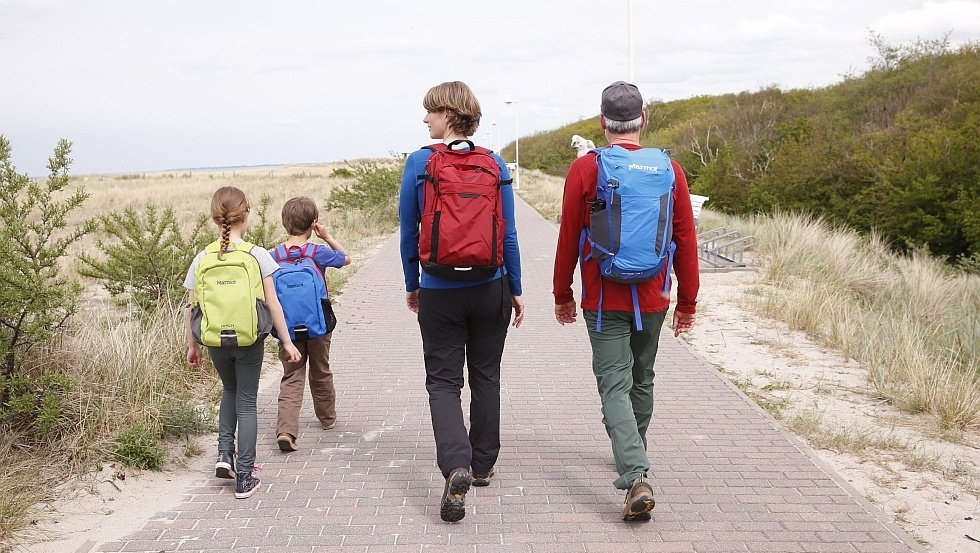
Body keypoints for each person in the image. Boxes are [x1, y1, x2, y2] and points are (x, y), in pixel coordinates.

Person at [552, 82, 699, 521]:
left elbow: (567, 238)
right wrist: (688, 301)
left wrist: (563, 294)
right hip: (654, 295)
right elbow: (686, 239)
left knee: (613, 384)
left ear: (602, 122)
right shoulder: (670, 170)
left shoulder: (585, 169)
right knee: (642, 379)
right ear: (643, 120)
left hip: (602, 299)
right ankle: (634, 453)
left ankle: (635, 472)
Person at [398, 81, 525, 522]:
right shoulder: (493, 162)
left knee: (443, 381)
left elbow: (408, 231)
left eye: (430, 111)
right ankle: (484, 464)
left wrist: (411, 281)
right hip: (492, 287)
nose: (425, 119)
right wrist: (516, 287)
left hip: (439, 290)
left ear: (448, 115)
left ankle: (456, 465)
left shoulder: (419, 162)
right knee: (487, 375)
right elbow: (507, 231)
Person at [184, 186, 301, 499]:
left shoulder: (202, 258)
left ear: (214, 217)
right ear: (245, 214)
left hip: (214, 340)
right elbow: (273, 304)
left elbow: (192, 308)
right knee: (247, 401)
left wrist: (193, 345)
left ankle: (225, 456)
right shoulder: (256, 255)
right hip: (249, 339)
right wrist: (287, 341)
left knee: (230, 391)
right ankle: (245, 477)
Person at [272, 196, 351, 452]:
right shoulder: (317, 252)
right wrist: (326, 236)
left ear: (285, 223)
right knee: (321, 371)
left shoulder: (274, 256)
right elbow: (345, 258)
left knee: (292, 376)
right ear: (313, 223)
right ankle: (327, 419)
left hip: (287, 329)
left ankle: (286, 430)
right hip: (318, 326)